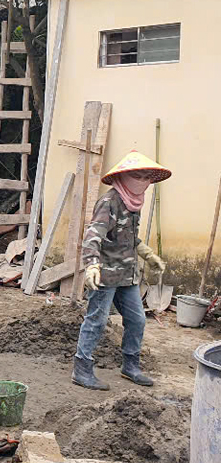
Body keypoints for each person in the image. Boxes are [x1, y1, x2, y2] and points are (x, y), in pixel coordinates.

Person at [72, 151, 171, 391]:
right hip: (105, 275)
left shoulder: (133, 202)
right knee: (97, 320)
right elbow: (94, 234)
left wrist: (148, 254)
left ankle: (130, 365)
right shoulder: (110, 202)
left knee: (137, 320)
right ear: (125, 178)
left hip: (127, 275)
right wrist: (92, 264)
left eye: (147, 177)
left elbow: (129, 238)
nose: (144, 181)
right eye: (139, 176)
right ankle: (81, 369)